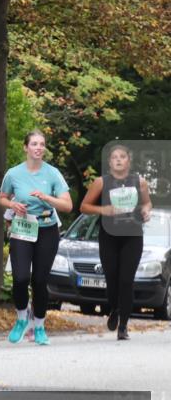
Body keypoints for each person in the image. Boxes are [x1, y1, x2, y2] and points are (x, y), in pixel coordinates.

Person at [0, 130, 73, 346]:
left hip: (47, 230)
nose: (38, 147)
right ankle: (22, 318)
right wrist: (12, 204)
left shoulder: (52, 174)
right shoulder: (13, 174)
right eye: (34, 144)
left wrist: (47, 197)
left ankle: (39, 325)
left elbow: (68, 205)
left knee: (40, 280)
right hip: (22, 227)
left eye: (42, 144)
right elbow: (2, 198)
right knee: (21, 278)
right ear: (26, 147)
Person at [79, 145, 152, 340]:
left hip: (132, 236)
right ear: (110, 162)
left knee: (126, 280)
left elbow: (147, 202)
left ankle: (124, 326)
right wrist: (104, 210)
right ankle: (114, 308)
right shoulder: (101, 182)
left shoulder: (140, 181)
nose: (118, 160)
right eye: (114, 157)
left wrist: (146, 210)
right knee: (112, 279)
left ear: (129, 160)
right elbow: (84, 207)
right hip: (109, 237)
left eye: (122, 157)